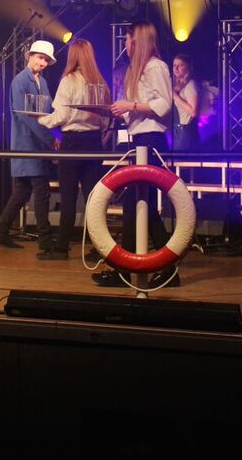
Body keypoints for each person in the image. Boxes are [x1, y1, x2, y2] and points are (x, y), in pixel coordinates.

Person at [98, 21, 176, 288]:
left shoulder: (156, 67)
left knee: (138, 204)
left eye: (127, 39)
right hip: (140, 139)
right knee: (138, 205)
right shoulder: (139, 70)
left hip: (151, 141)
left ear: (137, 41)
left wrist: (129, 105)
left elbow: (164, 105)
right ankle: (143, 268)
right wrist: (117, 111)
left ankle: (132, 269)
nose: (125, 45)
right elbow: (141, 109)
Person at [37, 38, 110, 260]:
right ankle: (100, 248)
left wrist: (40, 120)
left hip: (72, 142)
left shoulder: (68, 81)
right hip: (94, 143)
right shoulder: (100, 82)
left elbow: (61, 115)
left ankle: (61, 248)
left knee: (68, 198)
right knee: (94, 199)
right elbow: (106, 119)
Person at [0, 40, 56, 249]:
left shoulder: (42, 82)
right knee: (40, 189)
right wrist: (50, 138)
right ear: (30, 56)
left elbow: (48, 111)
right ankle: (45, 239)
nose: (43, 62)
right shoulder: (20, 81)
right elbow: (24, 116)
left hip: (37, 144)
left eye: (45, 60)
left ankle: (2, 232)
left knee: (22, 191)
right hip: (26, 143)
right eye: (40, 57)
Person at [171, 53, 201, 151]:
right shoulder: (177, 86)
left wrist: (175, 96)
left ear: (187, 68)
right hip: (178, 131)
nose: (176, 68)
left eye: (180, 65)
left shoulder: (190, 85)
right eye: (174, 65)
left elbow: (193, 112)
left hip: (186, 133)